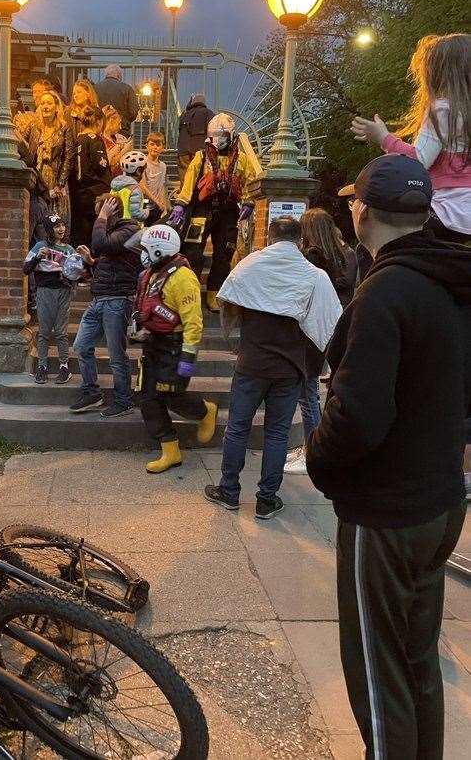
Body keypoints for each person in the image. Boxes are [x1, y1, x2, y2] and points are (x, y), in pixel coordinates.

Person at [306, 155, 469, 760]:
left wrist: (319, 463)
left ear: (364, 213)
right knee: (416, 658)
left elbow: (358, 416)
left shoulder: (385, 292)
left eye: (354, 202)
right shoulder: (448, 282)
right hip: (439, 502)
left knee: (377, 672)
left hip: (386, 515)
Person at [203, 216, 341, 518]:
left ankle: (229, 491)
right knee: (277, 434)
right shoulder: (313, 275)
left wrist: (235, 338)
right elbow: (330, 322)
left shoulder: (251, 264)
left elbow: (226, 298)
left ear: (270, 236)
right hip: (289, 368)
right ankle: (267, 499)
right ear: (300, 240)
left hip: (251, 363)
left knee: (237, 429)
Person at [351, 32, 471, 243]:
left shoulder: (443, 110)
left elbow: (418, 161)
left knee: (384, 230)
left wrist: (384, 138)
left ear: (438, 74)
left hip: (449, 212)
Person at [132, 224, 217, 473]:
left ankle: (205, 411)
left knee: (171, 394)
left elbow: (193, 321)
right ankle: (170, 450)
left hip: (174, 346)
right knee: (147, 397)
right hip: (154, 343)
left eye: (145, 249)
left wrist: (188, 359)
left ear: (159, 250)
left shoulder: (183, 278)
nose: (142, 254)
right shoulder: (152, 273)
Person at [284, 208, 358, 475]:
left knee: (308, 393)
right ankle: (313, 446)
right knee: (315, 391)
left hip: (315, 331)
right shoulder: (345, 254)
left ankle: (313, 451)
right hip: (335, 328)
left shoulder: (314, 260)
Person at [168, 113, 259, 311]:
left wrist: (248, 203)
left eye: (222, 135)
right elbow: (189, 182)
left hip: (228, 213)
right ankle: (187, 292)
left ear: (231, 135)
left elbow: (249, 183)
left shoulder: (241, 160)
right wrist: (180, 205)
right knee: (193, 252)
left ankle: (214, 294)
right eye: (215, 135)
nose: (218, 139)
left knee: (223, 255)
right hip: (202, 210)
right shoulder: (201, 158)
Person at [70, 194, 140, 418]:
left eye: (100, 212)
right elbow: (112, 260)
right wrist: (92, 262)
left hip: (117, 301)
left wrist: (102, 216)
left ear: (112, 210)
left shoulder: (129, 230)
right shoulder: (114, 234)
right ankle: (92, 392)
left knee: (116, 356)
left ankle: (124, 400)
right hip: (99, 300)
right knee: (81, 346)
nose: (97, 217)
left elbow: (100, 244)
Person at [23, 214, 76, 385]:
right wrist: (38, 256)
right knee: (44, 332)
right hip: (45, 291)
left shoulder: (69, 249)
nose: (61, 229)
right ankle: (42, 366)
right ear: (48, 229)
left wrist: (76, 266)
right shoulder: (40, 246)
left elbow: (78, 273)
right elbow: (26, 268)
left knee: (61, 332)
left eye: (62, 225)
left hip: (63, 291)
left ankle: (64, 367)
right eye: (56, 226)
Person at [23, 90, 76, 229]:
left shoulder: (64, 127)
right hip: (37, 176)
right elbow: (23, 146)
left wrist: (61, 182)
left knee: (56, 216)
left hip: (55, 177)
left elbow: (69, 156)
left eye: (49, 103)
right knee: (37, 213)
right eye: (43, 103)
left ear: (56, 106)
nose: (45, 106)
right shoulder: (34, 126)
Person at [72, 105, 110, 248]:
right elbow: (100, 165)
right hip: (95, 192)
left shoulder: (77, 139)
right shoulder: (94, 139)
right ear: (99, 121)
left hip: (79, 193)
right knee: (95, 233)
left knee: (81, 235)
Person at [177, 93, 214, 186]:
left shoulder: (184, 115)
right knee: (199, 177)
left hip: (182, 151)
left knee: (185, 178)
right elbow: (213, 131)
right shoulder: (208, 113)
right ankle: (197, 199)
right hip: (199, 150)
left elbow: (179, 130)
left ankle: (185, 198)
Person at [94, 65, 138, 135]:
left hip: (99, 129)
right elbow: (133, 112)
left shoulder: (94, 88)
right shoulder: (127, 89)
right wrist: (125, 120)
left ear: (107, 74)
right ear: (119, 75)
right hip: (121, 129)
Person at [110, 151, 150, 222]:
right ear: (138, 172)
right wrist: (147, 211)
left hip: (115, 224)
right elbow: (137, 214)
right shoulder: (135, 190)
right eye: (144, 171)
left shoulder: (116, 186)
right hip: (130, 226)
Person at [141, 131, 169, 224]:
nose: (155, 147)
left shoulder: (163, 166)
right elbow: (143, 187)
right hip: (144, 205)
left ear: (162, 148)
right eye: (152, 144)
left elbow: (161, 187)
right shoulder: (143, 163)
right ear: (147, 146)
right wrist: (157, 202)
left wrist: (164, 206)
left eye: (158, 145)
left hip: (157, 207)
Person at [103, 104, 133, 175]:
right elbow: (110, 163)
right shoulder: (102, 140)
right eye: (118, 123)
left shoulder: (114, 138)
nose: (120, 128)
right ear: (110, 121)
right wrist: (125, 150)